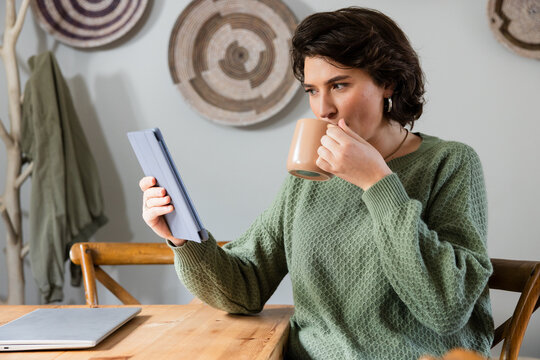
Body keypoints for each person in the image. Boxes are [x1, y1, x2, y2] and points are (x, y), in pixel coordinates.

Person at [139, 7, 494, 359]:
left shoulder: (449, 163)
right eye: (312, 90)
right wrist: (181, 236)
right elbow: (244, 288)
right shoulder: (309, 177)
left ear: (388, 82)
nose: (322, 108)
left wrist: (377, 182)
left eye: (339, 85)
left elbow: (447, 308)